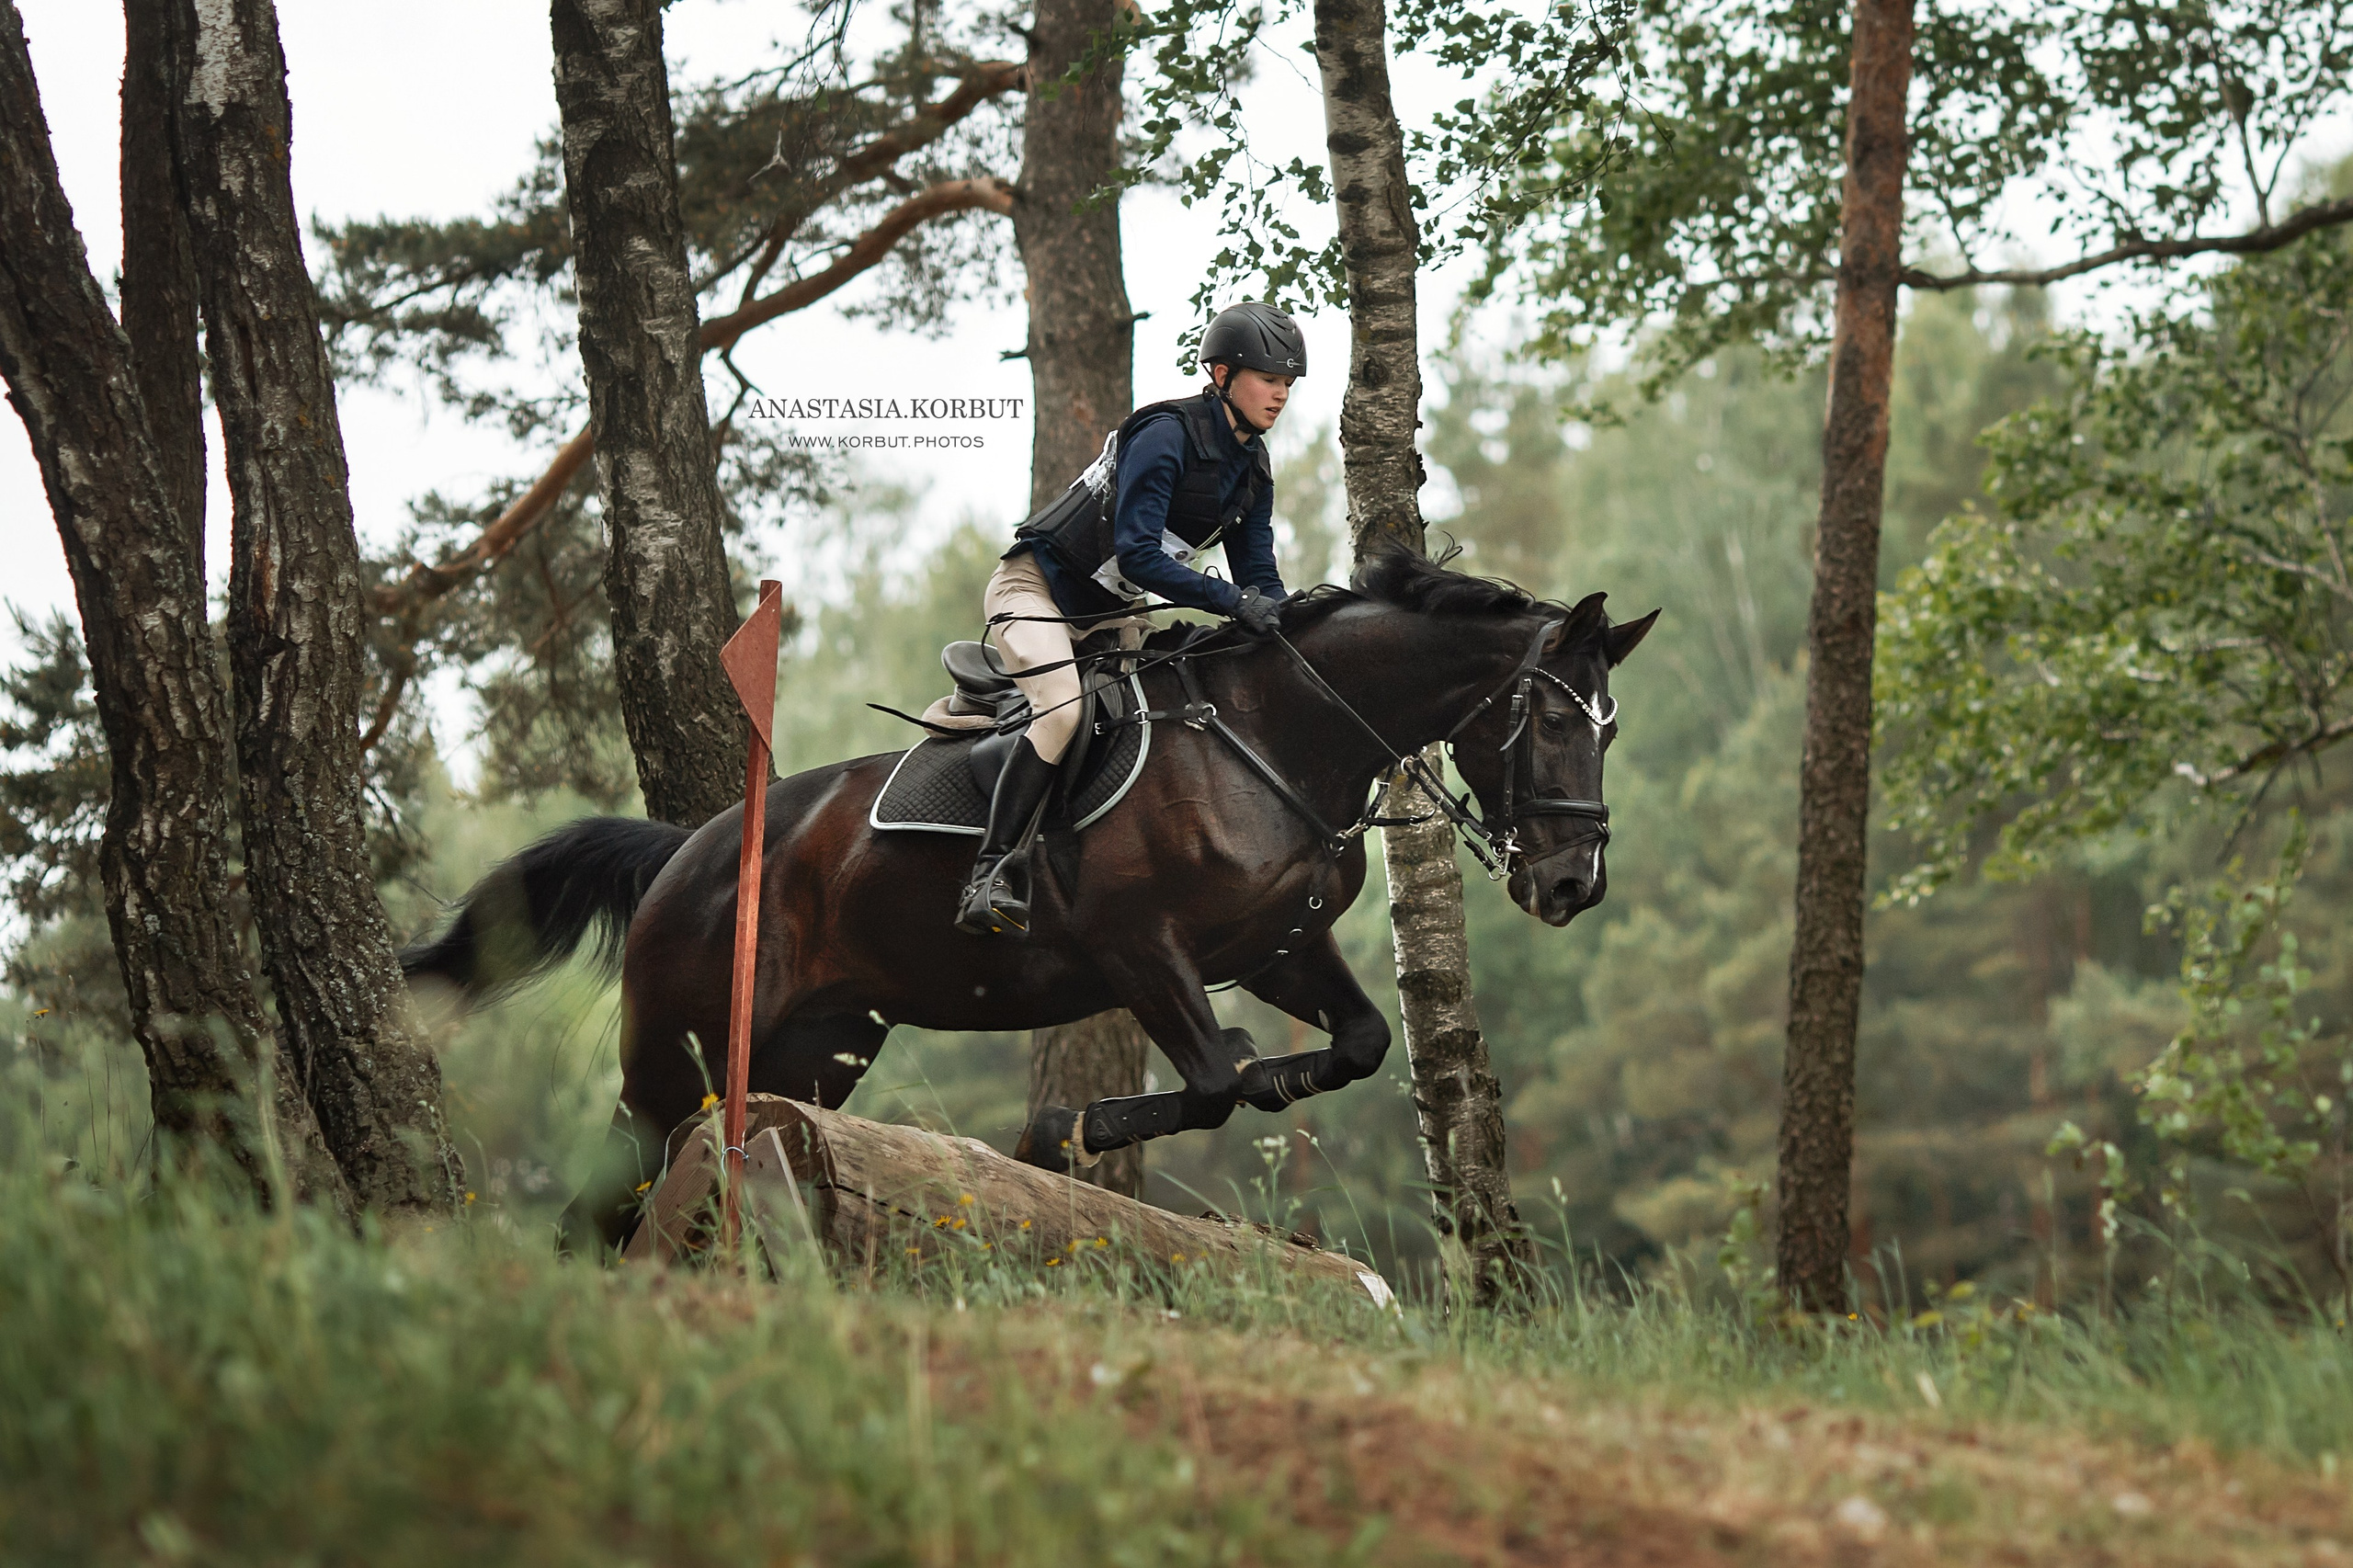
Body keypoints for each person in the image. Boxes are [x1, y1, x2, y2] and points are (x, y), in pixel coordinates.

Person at [954, 300, 1305, 937]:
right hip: (1036, 591)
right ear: (1222, 376)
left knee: (1166, 719)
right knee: (1063, 711)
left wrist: (1292, 627)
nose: (1280, 395)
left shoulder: (1252, 466)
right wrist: (1231, 602)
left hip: (1111, 613)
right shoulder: (1165, 435)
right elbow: (1140, 554)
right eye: (1268, 380)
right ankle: (989, 873)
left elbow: (1259, 576)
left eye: (1288, 384)